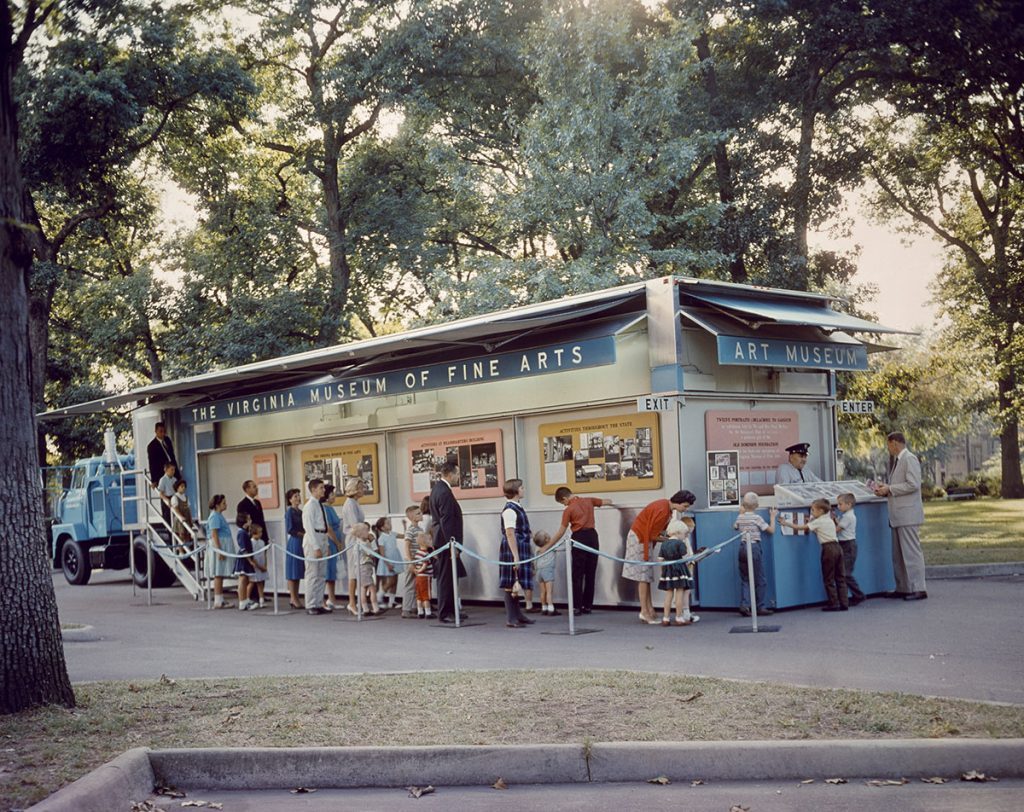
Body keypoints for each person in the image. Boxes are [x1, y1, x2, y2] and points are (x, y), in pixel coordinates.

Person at [623, 490, 696, 624]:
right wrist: (671, 539)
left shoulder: (664, 506)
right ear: (678, 502)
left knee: (646, 576)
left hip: (640, 537)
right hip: (640, 538)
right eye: (685, 506)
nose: (685, 509)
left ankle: (649, 610)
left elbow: (652, 532)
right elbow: (652, 535)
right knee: (643, 576)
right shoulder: (663, 511)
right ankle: (645, 611)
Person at [872, 431, 927, 601]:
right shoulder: (899, 461)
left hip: (908, 514)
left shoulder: (909, 459)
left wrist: (890, 489)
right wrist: (887, 488)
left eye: (888, 444)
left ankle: (919, 588)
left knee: (911, 552)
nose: (888, 448)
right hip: (898, 515)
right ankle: (903, 587)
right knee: (899, 554)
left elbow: (913, 484)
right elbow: (901, 485)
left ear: (894, 443)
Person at [550, 486, 613, 616]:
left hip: (579, 538)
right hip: (593, 537)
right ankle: (588, 606)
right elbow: (608, 501)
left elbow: (561, 532)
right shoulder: (589, 500)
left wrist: (548, 546)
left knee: (577, 574)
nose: (564, 505)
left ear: (565, 498)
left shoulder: (569, 510)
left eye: (563, 502)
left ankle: (576, 607)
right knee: (591, 573)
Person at [780, 498, 848, 612]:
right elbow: (818, 530)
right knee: (840, 577)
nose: (811, 512)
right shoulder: (829, 519)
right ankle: (844, 602)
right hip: (837, 547)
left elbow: (803, 527)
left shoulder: (818, 521)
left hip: (828, 549)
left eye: (813, 510)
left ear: (821, 511)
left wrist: (786, 523)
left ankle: (834, 603)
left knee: (828, 578)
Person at [429, 462, 467, 623]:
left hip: (442, 539)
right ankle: (445, 612)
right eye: (457, 474)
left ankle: (451, 610)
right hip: (446, 540)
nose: (458, 477)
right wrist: (453, 543)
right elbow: (447, 520)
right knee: (446, 578)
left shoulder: (438, 489)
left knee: (450, 576)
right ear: (450, 474)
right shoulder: (444, 492)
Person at [498, 478, 536, 629]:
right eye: (522, 487)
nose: (524, 490)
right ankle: (511, 618)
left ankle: (518, 614)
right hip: (513, 548)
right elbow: (510, 534)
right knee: (510, 583)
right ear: (515, 491)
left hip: (520, 546)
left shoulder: (517, 507)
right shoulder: (509, 510)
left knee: (517, 581)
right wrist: (516, 556)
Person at [734, 492, 777, 617]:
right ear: (757, 505)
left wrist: (741, 514)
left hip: (742, 547)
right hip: (753, 547)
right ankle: (760, 606)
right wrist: (773, 517)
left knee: (745, 578)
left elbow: (735, 527)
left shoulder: (740, 517)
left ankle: (745, 605)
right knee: (760, 579)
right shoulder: (757, 518)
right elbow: (771, 530)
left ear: (743, 504)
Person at [658, 518, 698, 626]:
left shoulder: (664, 544)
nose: (685, 537)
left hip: (667, 571)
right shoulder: (680, 544)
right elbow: (685, 559)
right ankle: (679, 617)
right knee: (679, 594)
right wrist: (693, 560)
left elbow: (660, 559)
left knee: (668, 594)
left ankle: (665, 618)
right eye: (684, 534)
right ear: (679, 532)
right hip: (679, 571)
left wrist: (663, 571)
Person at [301, 479, 331, 615]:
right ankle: (311, 604)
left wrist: (326, 544)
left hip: (322, 537)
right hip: (313, 540)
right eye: (321, 488)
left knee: (321, 574)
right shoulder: (309, 506)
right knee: (312, 573)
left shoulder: (320, 505)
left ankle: (319, 602)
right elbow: (309, 528)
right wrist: (316, 547)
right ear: (313, 490)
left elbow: (324, 526)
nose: (323, 490)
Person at [340, 478, 366, 615]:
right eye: (360, 487)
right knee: (353, 571)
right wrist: (366, 535)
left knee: (358, 570)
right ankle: (351, 602)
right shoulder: (350, 504)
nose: (363, 490)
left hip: (359, 538)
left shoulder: (355, 503)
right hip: (353, 539)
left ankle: (359, 602)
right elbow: (355, 525)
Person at [835, 492, 865, 606]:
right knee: (843, 571)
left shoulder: (848, 517)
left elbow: (837, 529)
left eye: (840, 504)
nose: (838, 506)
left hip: (848, 546)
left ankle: (858, 595)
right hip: (844, 544)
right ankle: (852, 595)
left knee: (845, 573)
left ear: (849, 504)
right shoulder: (846, 516)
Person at [205, 494, 233, 609]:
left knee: (220, 573)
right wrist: (219, 550)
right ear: (217, 505)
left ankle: (220, 599)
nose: (226, 505)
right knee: (218, 573)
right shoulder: (215, 516)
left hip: (222, 544)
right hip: (219, 545)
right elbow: (214, 534)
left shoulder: (218, 515)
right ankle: (218, 600)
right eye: (223, 503)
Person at [399, 504, 425, 618]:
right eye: (418, 513)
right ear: (412, 517)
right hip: (412, 560)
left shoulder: (420, 529)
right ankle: (406, 609)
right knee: (409, 584)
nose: (421, 514)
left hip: (418, 559)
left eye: (420, 512)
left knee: (416, 584)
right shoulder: (410, 530)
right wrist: (410, 561)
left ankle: (414, 606)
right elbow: (407, 545)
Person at [322, 484, 343, 611]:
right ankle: (324, 599)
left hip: (334, 542)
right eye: (332, 494)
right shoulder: (325, 509)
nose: (334, 496)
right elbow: (328, 529)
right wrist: (337, 542)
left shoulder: (330, 508)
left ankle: (331, 598)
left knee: (332, 571)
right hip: (330, 542)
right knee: (327, 571)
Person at [284, 488, 306, 609]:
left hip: (302, 540)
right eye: (295, 496)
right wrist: (302, 534)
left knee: (298, 570)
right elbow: (290, 529)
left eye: (298, 495)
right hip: (295, 541)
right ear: (290, 499)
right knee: (293, 570)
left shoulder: (301, 512)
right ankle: (293, 597)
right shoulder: (290, 512)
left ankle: (296, 596)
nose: (298, 498)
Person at [352, 522, 380, 614]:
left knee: (363, 588)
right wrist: (373, 542)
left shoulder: (360, 542)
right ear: (360, 533)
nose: (368, 532)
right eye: (366, 530)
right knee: (372, 588)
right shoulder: (363, 544)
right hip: (364, 567)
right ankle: (375, 608)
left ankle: (365, 609)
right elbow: (373, 553)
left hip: (361, 567)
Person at [233, 510, 258, 611]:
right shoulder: (242, 533)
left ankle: (245, 599)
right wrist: (250, 560)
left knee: (245, 579)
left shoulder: (244, 532)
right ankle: (242, 601)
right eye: (249, 519)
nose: (250, 521)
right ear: (244, 521)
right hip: (244, 559)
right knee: (242, 580)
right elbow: (243, 548)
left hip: (246, 558)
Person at [375, 516, 400, 609]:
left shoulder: (393, 534)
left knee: (395, 580)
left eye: (390, 522)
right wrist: (388, 564)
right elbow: (382, 553)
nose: (390, 524)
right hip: (388, 561)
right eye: (387, 523)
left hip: (395, 559)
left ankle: (392, 601)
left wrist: (405, 526)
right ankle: (380, 594)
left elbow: (404, 536)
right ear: (382, 527)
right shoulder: (382, 538)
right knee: (391, 581)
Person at [533, 531, 560, 616]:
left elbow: (535, 560)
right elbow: (562, 548)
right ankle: (551, 608)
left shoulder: (537, 549)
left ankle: (544, 607)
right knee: (549, 591)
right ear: (547, 539)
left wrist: (535, 569)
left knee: (542, 591)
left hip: (539, 571)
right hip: (547, 570)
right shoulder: (552, 547)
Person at [170, 478, 197, 552]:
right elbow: (175, 509)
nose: (183, 488)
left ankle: (187, 549)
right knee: (181, 534)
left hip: (187, 516)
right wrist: (180, 517)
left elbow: (188, 509)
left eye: (184, 486)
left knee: (187, 534)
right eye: (181, 486)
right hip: (180, 518)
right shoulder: (175, 497)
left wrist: (191, 520)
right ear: (177, 488)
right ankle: (181, 550)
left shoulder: (186, 497)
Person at [146, 422, 177, 487]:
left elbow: (172, 456)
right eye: (160, 431)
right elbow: (152, 464)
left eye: (164, 431)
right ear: (156, 431)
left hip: (173, 471)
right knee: (166, 493)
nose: (163, 433)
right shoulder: (152, 446)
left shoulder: (167, 440)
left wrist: (178, 473)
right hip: (162, 473)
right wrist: (154, 480)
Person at [413, 530, 434, 618]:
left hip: (418, 577)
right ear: (425, 542)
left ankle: (420, 612)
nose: (431, 541)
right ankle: (428, 613)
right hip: (425, 577)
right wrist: (420, 570)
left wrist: (417, 571)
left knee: (419, 595)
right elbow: (425, 565)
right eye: (430, 540)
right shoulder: (426, 554)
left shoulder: (418, 552)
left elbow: (416, 563)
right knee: (426, 595)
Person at [248, 521, 269, 608]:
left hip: (261, 563)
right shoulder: (251, 542)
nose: (261, 534)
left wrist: (265, 565)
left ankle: (261, 599)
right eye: (259, 532)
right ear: (253, 533)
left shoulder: (262, 542)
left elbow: (264, 554)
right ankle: (246, 598)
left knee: (260, 582)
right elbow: (252, 556)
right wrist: (258, 566)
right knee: (252, 582)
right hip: (255, 565)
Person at [154, 461, 177, 528]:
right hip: (166, 499)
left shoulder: (174, 479)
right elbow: (160, 493)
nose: (173, 471)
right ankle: (170, 535)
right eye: (171, 469)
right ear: (166, 470)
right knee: (168, 519)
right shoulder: (162, 480)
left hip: (173, 498)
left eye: (174, 470)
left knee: (175, 518)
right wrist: (167, 500)